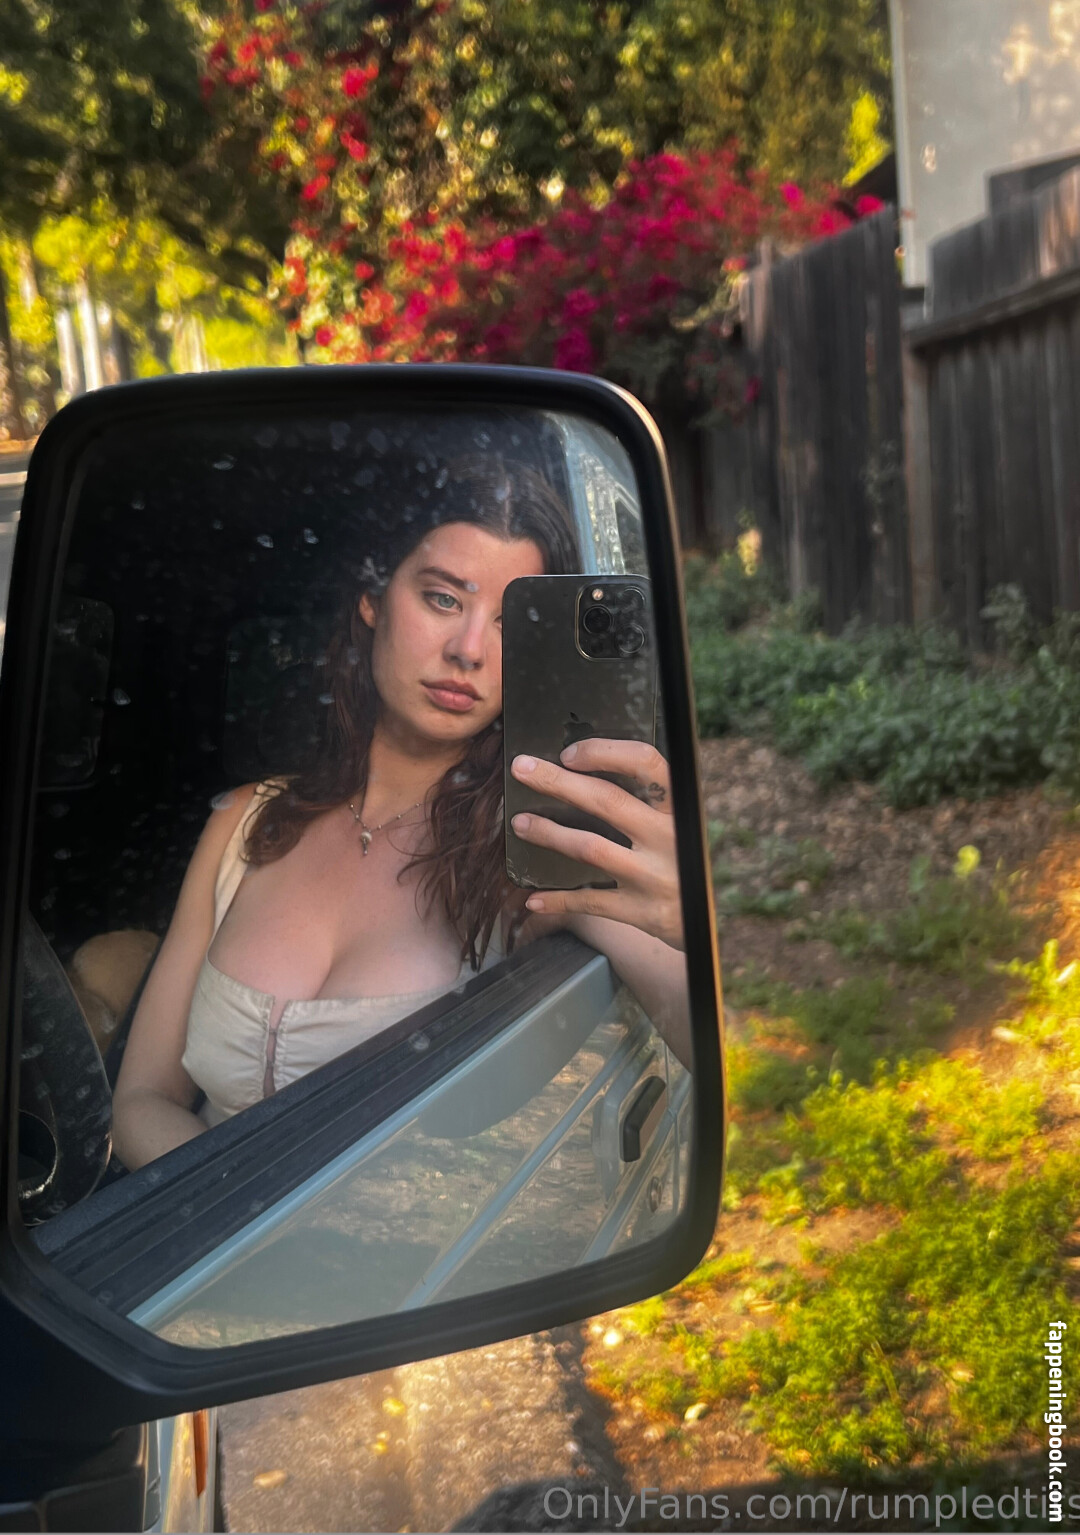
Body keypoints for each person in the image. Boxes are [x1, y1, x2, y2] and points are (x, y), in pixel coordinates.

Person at [111, 458, 688, 1172]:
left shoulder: (534, 844)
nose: (469, 650)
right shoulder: (244, 824)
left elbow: (709, 1038)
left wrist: (680, 916)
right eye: (444, 599)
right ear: (373, 599)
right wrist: (235, 1217)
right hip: (190, 1238)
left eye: (512, 624)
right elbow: (140, 1099)